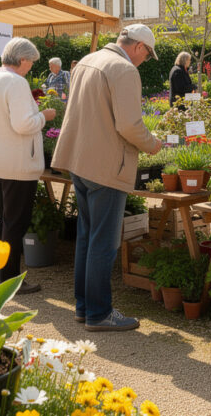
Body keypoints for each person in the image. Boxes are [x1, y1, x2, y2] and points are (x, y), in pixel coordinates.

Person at [52, 24, 162, 332]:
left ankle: (85, 307)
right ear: (139, 47)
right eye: (147, 54)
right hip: (106, 166)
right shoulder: (123, 69)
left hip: (80, 161)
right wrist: (153, 143)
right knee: (103, 242)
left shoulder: (89, 60)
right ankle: (99, 314)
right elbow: (129, 125)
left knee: (87, 237)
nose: (144, 60)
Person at [0, 38, 56, 295]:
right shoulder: (16, 82)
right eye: (31, 62)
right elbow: (24, 124)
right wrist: (43, 116)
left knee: (2, 220)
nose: (31, 67)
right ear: (22, 60)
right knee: (15, 223)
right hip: (16, 164)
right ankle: (10, 279)